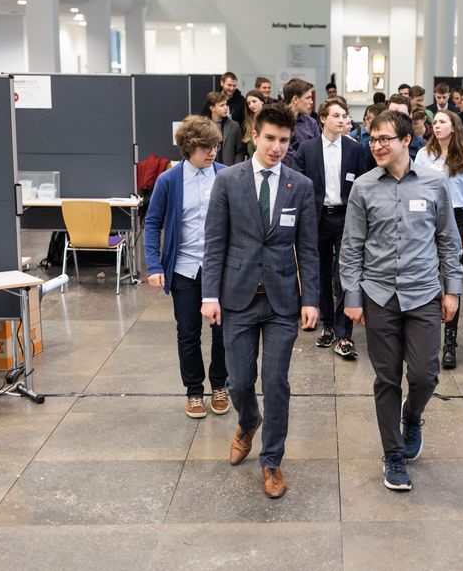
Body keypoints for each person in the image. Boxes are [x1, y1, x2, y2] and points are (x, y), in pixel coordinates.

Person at [200, 104, 320, 499]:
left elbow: (308, 248)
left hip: (283, 301)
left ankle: (272, 461)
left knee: (276, 381)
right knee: (238, 382)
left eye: (285, 140)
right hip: (237, 298)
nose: (277, 147)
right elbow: (215, 242)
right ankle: (248, 421)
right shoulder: (228, 181)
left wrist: (312, 299)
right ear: (254, 134)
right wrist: (210, 294)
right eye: (270, 138)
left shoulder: (299, 186)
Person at [340, 109, 463, 491]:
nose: (376, 145)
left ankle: (412, 416)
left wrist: (453, 289)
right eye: (372, 139)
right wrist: (352, 295)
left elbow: (447, 239)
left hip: (424, 292)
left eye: (385, 139)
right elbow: (351, 246)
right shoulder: (363, 187)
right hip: (378, 296)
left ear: (406, 140)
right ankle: (393, 454)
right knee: (386, 378)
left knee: (425, 374)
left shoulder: (434, 184)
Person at [144, 116, 229, 419]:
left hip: (220, 269)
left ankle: (220, 384)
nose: (212, 152)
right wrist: (154, 264)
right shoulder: (169, 180)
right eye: (205, 147)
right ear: (188, 147)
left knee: (223, 332)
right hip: (184, 268)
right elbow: (153, 223)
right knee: (188, 332)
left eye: (215, 146)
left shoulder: (225, 176)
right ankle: (194, 390)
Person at [292, 96, 368, 359]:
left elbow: (362, 184)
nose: (341, 119)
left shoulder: (355, 149)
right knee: (320, 273)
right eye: (336, 115)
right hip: (317, 217)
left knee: (343, 275)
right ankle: (327, 327)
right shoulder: (307, 148)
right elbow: (299, 185)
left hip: (346, 217)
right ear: (323, 118)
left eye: (344, 115)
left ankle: (344, 333)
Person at [414, 110, 463, 369]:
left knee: (452, 280)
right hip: (427, 218)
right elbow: (414, 189)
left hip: (458, 218)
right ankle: (427, 340)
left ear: (454, 127)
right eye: (435, 122)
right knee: (429, 278)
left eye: (442, 122)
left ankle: (449, 343)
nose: (436, 125)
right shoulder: (423, 155)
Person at [281, 78, 318, 167]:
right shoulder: (275, 120)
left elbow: (318, 151)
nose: (311, 102)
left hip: (305, 174)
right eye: (308, 98)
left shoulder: (311, 123)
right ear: (295, 99)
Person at [205, 91, 246, 166]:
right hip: (208, 169)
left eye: (226, 104)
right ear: (212, 108)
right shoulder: (203, 126)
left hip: (229, 169)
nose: (226, 108)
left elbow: (240, 150)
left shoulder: (234, 125)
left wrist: (236, 167)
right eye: (222, 105)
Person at [242, 90, 265, 158]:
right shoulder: (246, 124)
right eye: (249, 103)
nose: (251, 105)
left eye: (254, 101)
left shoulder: (270, 119)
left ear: (262, 101)